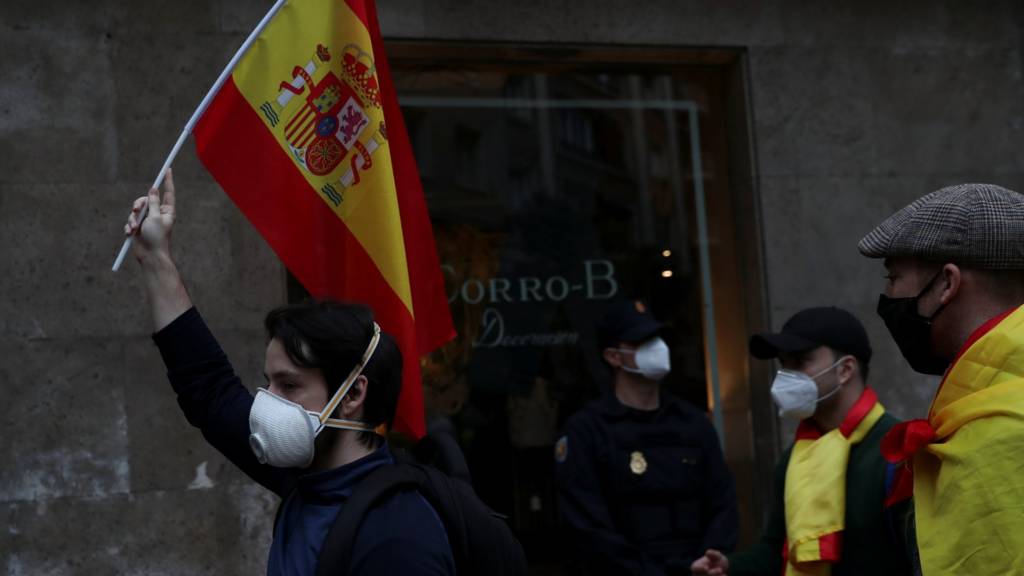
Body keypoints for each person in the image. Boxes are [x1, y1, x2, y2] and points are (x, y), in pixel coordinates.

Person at [124, 170, 455, 575]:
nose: (267, 403)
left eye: (290, 384)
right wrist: (156, 259)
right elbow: (208, 389)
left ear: (353, 395)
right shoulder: (306, 477)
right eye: (269, 382)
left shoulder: (398, 536)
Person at [858, 182, 1024, 575]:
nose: (887, 294)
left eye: (894, 277)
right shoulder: (987, 401)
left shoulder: (1000, 434)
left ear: (947, 284)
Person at [691, 306, 910, 576]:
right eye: (784, 364)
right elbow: (776, 550)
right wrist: (730, 567)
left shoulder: (898, 449)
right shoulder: (796, 458)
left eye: (800, 361)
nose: (785, 376)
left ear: (845, 370)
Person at [555, 299, 738, 575]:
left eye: (656, 338)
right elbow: (588, 528)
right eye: (640, 341)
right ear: (613, 356)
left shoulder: (693, 423)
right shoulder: (587, 431)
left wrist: (710, 559)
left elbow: (723, 503)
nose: (657, 348)